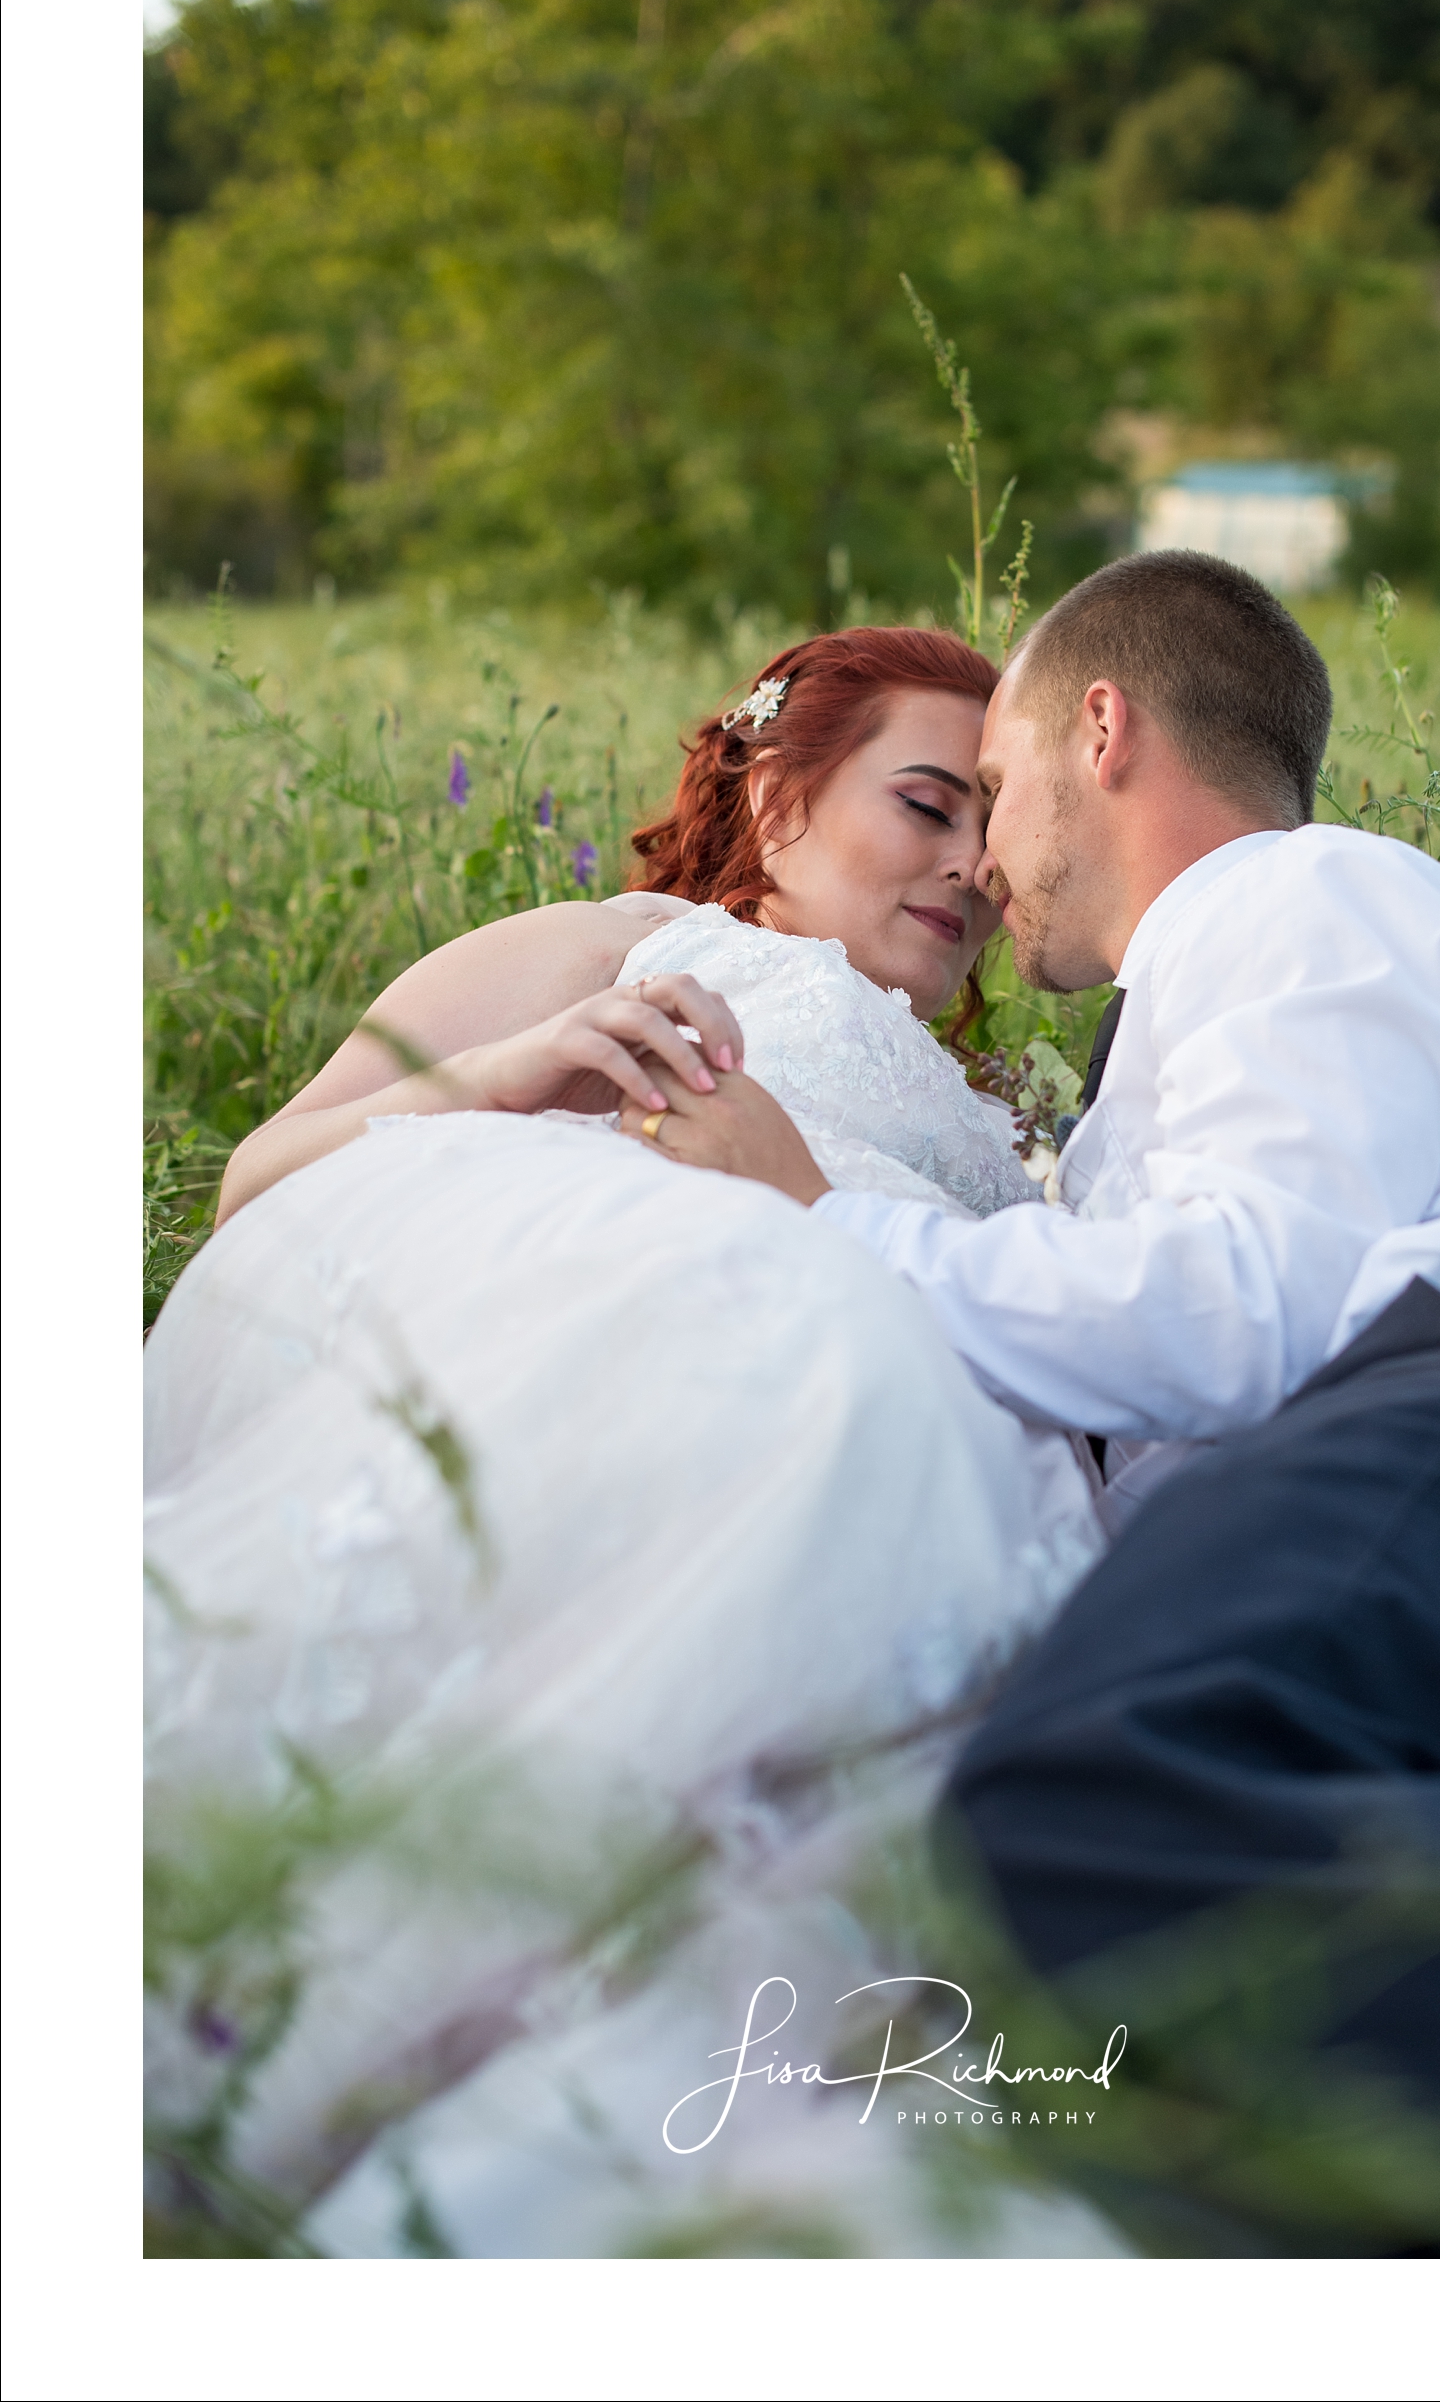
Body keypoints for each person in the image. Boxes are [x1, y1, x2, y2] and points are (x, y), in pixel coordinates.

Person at [636, 549, 1440, 2249]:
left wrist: (823, 1221)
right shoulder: (1202, 1000)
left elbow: (1241, 1305)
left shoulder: (1299, 897)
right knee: (1166, 1916)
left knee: (1118, 1783)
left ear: (1100, 729)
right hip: (1423, 1460)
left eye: (998, 787)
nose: (982, 858)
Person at [143, 626, 1111, 2257]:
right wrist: (510, 1075)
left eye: (989, 823)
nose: (964, 862)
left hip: (863, 1411)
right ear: (781, 793)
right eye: (925, 801)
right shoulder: (629, 938)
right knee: (795, 1348)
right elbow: (260, 1174)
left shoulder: (1014, 1118)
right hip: (593, 1297)